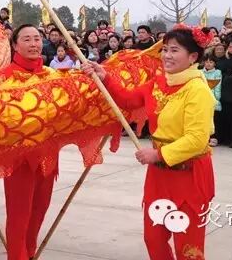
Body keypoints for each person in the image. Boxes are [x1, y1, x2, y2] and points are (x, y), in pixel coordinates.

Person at [84, 25, 216, 260]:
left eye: (174, 50)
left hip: (189, 176)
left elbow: (197, 139)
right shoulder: (158, 83)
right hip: (159, 176)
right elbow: (128, 99)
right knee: (153, 238)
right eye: (165, 49)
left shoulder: (198, 90)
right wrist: (105, 77)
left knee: (188, 248)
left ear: (193, 57)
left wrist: (157, 154)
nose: (167, 55)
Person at [0, 24, 60, 260]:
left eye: (37, 38)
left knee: (39, 211)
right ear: (15, 45)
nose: (34, 44)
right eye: (27, 39)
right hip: (18, 158)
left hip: (48, 155)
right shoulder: (4, 77)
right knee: (19, 215)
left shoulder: (51, 76)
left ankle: (30, 253)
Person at [200, 54, 222, 147]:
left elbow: (218, 87)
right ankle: (203, 138)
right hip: (201, 98)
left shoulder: (217, 72)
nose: (208, 64)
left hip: (213, 98)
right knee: (202, 119)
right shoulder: (200, 72)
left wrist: (217, 98)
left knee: (213, 119)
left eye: (211, 62)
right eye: (207, 62)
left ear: (214, 63)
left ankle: (214, 138)